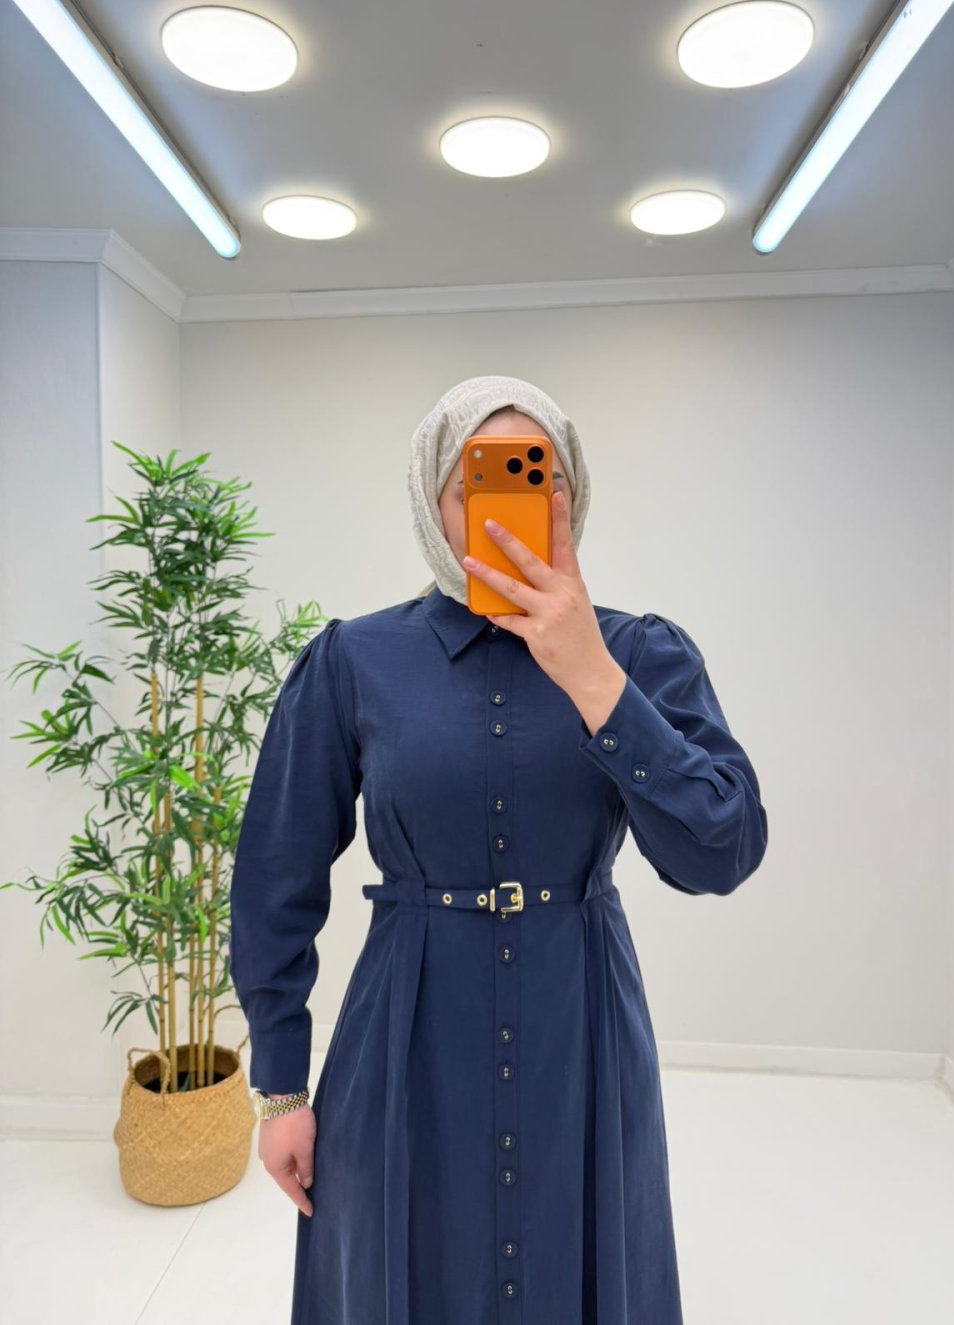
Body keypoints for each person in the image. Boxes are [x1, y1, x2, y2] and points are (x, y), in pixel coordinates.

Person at [229, 374, 769, 1325]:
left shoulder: (639, 654)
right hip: (406, 1029)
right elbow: (277, 868)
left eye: (538, 477)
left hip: (581, 1023)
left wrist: (594, 679)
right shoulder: (354, 661)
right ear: (432, 501)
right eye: (478, 481)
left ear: (573, 494)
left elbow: (721, 851)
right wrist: (280, 1087)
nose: (512, 508)